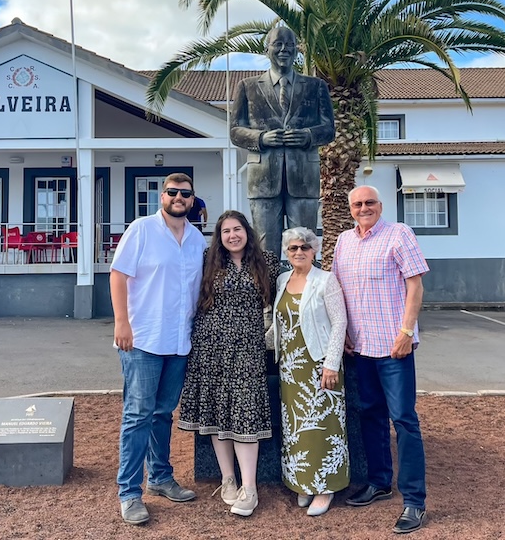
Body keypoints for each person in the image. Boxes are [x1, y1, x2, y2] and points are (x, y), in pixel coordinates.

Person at [110, 172, 207, 526]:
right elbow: (118, 274)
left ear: (192, 200)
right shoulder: (141, 229)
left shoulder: (196, 239)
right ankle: (129, 493)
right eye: (172, 192)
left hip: (179, 341)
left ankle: (161, 478)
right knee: (137, 416)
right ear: (161, 196)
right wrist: (122, 322)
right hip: (142, 339)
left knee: (163, 414)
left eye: (185, 193)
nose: (178, 197)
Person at [332, 185, 430, 534]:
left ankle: (414, 502)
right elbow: (337, 289)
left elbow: (415, 286)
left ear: (380, 205)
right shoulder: (344, 241)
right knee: (370, 414)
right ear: (350, 209)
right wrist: (342, 333)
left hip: (393, 347)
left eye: (369, 202)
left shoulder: (398, 234)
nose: (363, 208)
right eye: (357, 204)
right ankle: (378, 482)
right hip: (361, 348)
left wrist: (406, 331)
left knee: (404, 420)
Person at [178, 210, 280, 517]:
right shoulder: (208, 259)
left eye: (237, 229)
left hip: (248, 350)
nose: (232, 235)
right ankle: (228, 479)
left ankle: (249, 488)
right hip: (210, 347)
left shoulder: (268, 262)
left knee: (245, 413)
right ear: (219, 237)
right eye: (226, 231)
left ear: (247, 232)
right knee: (217, 412)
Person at [230, 26, 335, 258]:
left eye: (289, 44)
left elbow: (329, 130)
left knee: (304, 246)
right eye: (278, 44)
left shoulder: (316, 86)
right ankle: (267, 294)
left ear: (297, 50)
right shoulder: (247, 87)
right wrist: (261, 138)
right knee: (265, 250)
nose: (284, 49)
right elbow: (235, 131)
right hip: (263, 180)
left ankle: (304, 293)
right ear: (266, 49)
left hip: (304, 179)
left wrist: (308, 135)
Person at [271, 227, 349, 516]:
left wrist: (331, 364)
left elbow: (339, 322)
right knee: (296, 427)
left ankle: (325, 487)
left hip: (318, 364)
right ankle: (303, 482)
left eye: (304, 247)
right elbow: (279, 321)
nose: (299, 252)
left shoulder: (326, 280)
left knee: (324, 426)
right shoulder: (282, 280)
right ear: (286, 253)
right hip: (290, 368)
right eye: (293, 248)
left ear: (314, 251)